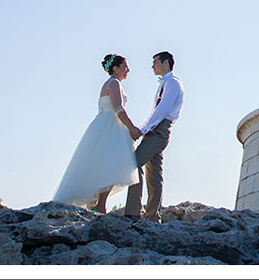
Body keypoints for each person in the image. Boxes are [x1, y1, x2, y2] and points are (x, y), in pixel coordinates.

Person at [53, 54, 142, 213]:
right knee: (108, 164)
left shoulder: (113, 83)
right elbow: (119, 109)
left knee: (107, 165)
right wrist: (131, 128)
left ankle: (98, 203)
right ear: (115, 69)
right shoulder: (113, 83)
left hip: (108, 124)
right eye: (124, 67)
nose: (128, 70)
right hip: (109, 126)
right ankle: (99, 204)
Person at [124, 50, 184, 222]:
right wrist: (144, 129)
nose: (152, 66)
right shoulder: (166, 83)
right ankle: (153, 217)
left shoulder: (173, 83)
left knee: (135, 163)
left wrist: (142, 130)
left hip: (160, 130)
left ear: (166, 63)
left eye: (155, 62)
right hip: (156, 129)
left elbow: (162, 110)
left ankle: (133, 213)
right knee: (154, 174)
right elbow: (157, 112)